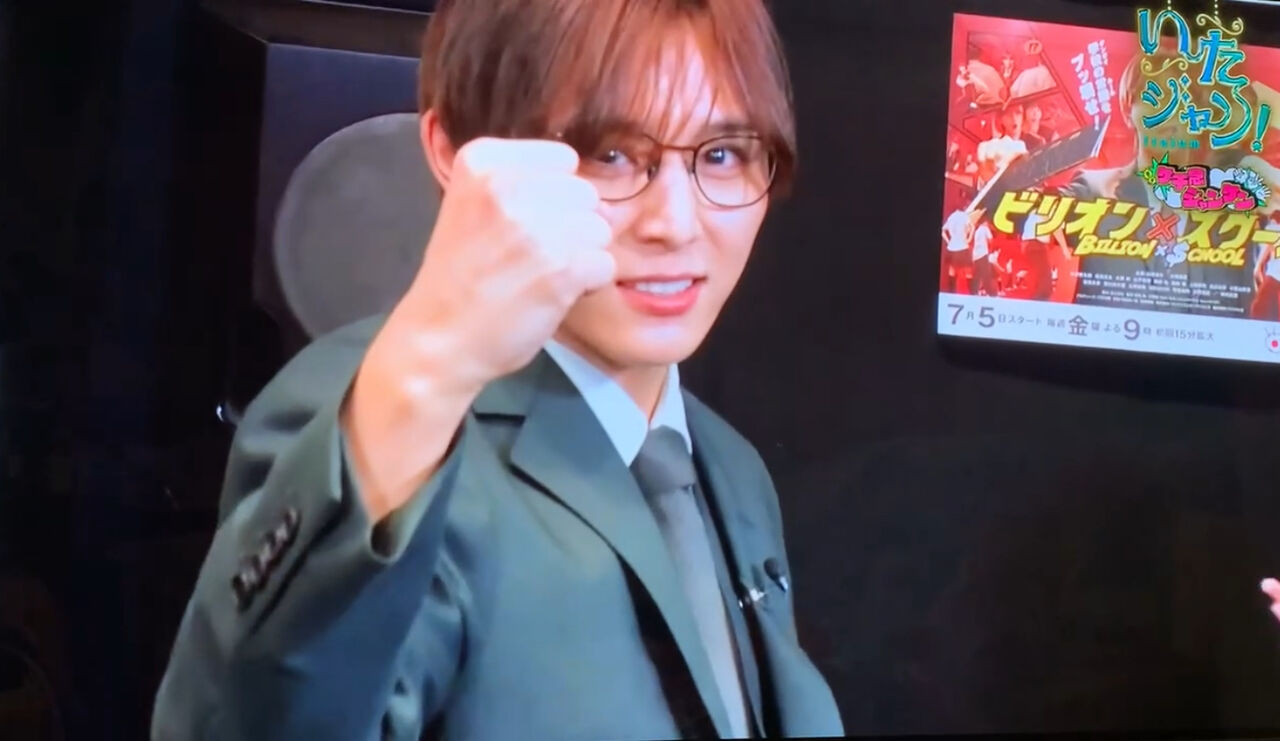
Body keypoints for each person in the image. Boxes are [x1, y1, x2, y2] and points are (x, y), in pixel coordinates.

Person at [150, 0, 844, 739]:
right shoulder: (375, 425)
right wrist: (426, 368)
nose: (674, 223)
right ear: (456, 151)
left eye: (722, 154)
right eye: (610, 153)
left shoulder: (730, 469)